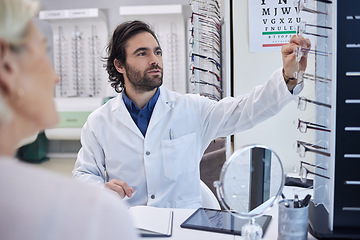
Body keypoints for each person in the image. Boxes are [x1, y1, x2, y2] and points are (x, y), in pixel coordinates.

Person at [73, 20, 311, 209]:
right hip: (130, 226)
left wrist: (288, 78)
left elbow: (247, 109)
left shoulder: (192, 109)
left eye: (157, 52)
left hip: (183, 227)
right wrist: (100, 190)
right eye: (142, 54)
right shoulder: (99, 122)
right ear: (119, 65)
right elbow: (84, 173)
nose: (155, 60)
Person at [0, 0, 139, 239]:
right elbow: (84, 174)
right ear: (8, 67)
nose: (56, 76)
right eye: (43, 52)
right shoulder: (93, 215)